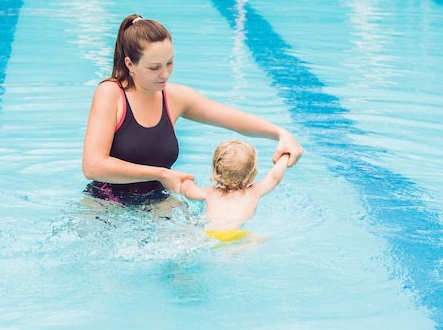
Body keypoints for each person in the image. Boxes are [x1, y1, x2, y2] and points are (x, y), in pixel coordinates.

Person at [82, 13, 303, 206]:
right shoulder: (111, 93)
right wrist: (160, 173)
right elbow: (93, 166)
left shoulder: (175, 97)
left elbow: (231, 119)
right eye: (154, 68)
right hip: (104, 200)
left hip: (157, 200)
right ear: (130, 64)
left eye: (170, 63)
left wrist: (281, 134)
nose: (165, 74)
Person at [180, 140, 289, 242]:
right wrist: (285, 156)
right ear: (252, 174)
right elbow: (274, 177)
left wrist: (187, 181)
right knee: (261, 239)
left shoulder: (211, 193)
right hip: (236, 235)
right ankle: (235, 250)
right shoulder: (253, 192)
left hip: (208, 234)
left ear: (216, 171)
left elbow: (189, 192)